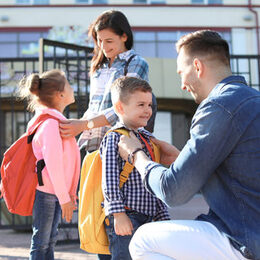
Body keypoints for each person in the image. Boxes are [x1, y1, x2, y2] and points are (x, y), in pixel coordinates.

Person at [118, 30, 260, 260]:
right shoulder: (253, 100)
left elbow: (173, 192)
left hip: (242, 239)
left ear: (197, 66)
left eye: (181, 73)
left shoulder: (218, 105)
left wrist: (137, 155)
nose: (183, 85)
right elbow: (241, 174)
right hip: (250, 232)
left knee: (143, 240)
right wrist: (181, 159)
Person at [59, 10, 155, 259]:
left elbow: (122, 107)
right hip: (92, 143)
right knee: (95, 208)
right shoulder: (99, 66)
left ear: (124, 36)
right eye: (99, 40)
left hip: (119, 142)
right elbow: (94, 104)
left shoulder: (136, 62)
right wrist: (82, 129)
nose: (103, 46)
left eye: (109, 40)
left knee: (119, 207)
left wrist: (84, 124)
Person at [100, 76, 170, 260]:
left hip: (149, 217)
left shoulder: (148, 138)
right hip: (127, 215)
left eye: (149, 105)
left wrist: (162, 213)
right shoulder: (113, 138)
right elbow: (109, 179)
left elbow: (153, 175)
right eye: (141, 105)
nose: (148, 111)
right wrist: (118, 214)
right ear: (119, 107)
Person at [18, 69, 80, 260]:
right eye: (68, 84)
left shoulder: (56, 122)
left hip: (55, 192)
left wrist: (69, 193)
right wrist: (64, 197)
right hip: (47, 193)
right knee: (42, 242)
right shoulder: (50, 125)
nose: (72, 87)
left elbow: (66, 162)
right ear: (60, 94)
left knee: (49, 240)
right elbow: (53, 164)